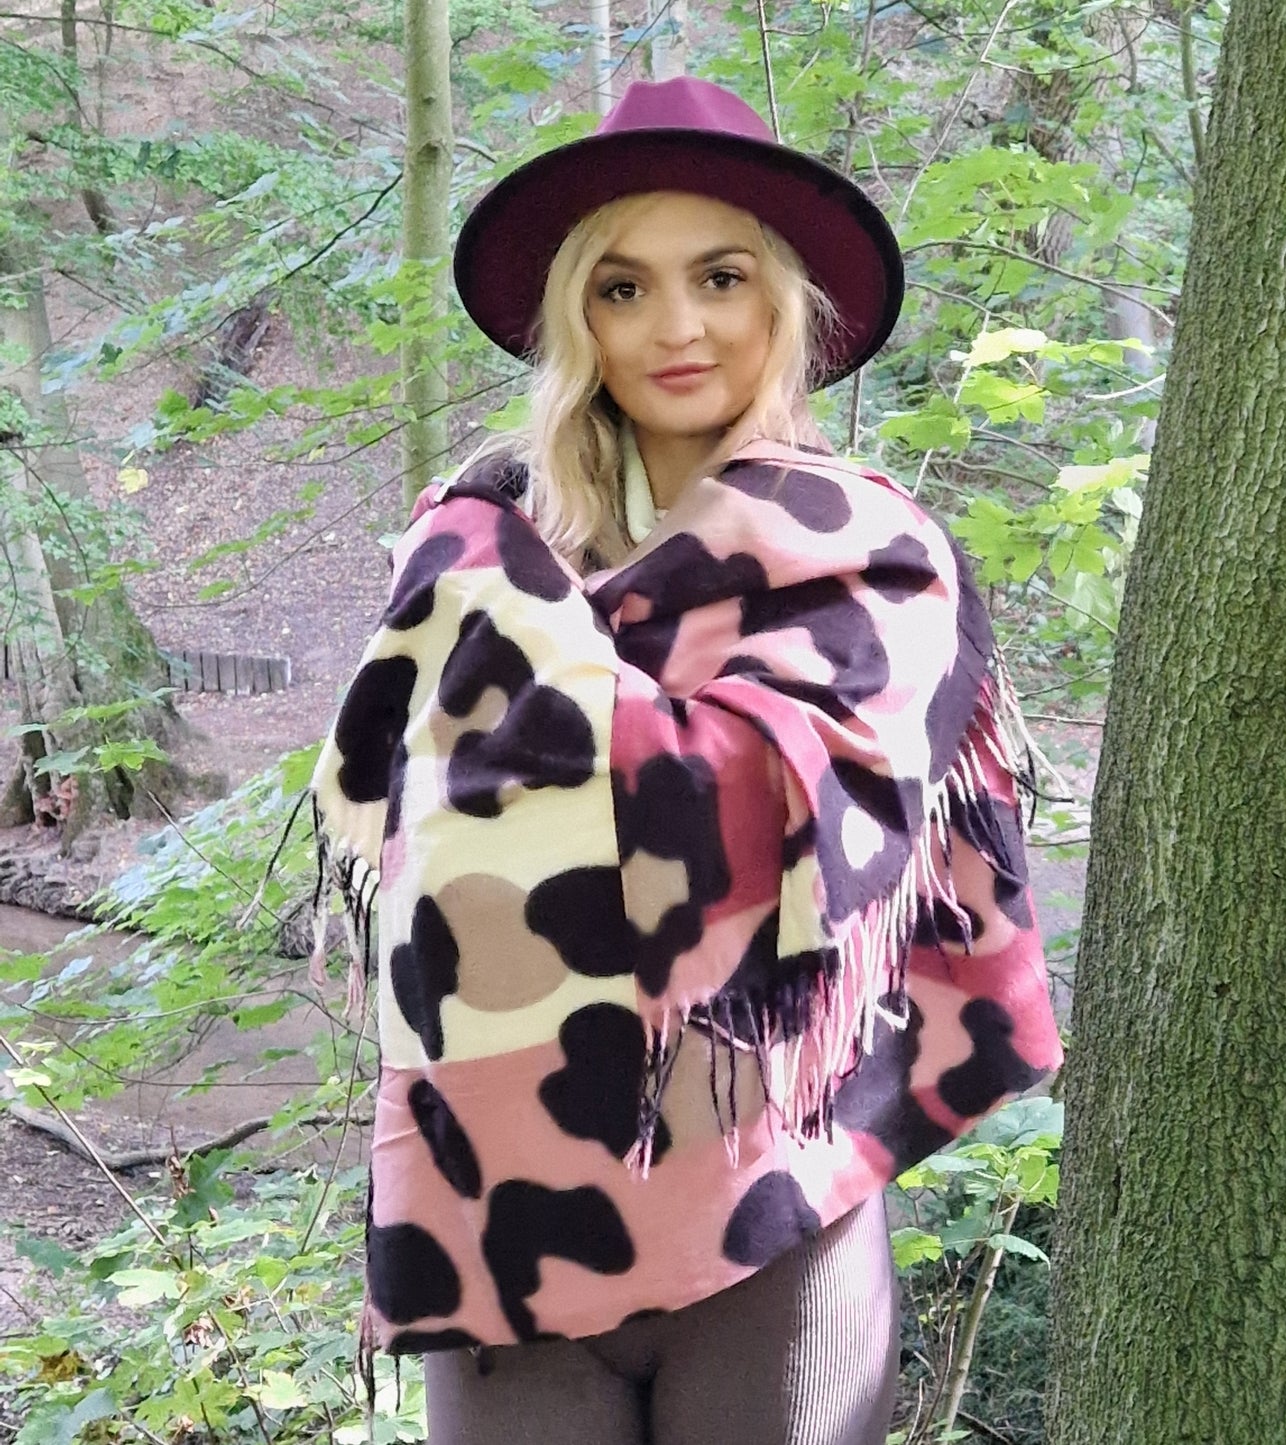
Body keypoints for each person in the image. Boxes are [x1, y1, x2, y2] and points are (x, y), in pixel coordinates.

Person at [310, 76, 1063, 1445]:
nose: (674, 326)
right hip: (504, 1210)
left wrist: (551, 698)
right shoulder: (477, 544)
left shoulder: (867, 553)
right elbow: (411, 839)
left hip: (769, 1202)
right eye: (620, 286)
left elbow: (762, 829)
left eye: (717, 276)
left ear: (778, 303)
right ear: (572, 322)